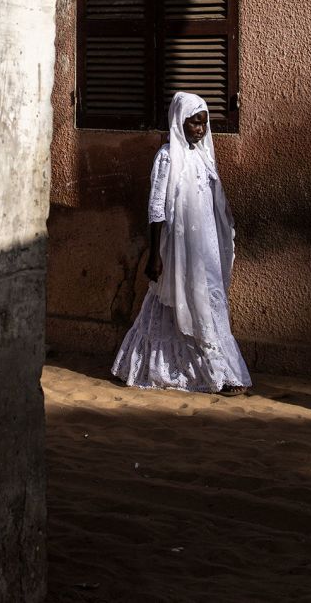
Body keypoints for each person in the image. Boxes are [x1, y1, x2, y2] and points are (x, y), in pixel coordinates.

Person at [112, 91, 252, 395]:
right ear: (180, 122)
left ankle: (217, 369)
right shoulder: (167, 158)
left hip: (204, 249)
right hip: (176, 248)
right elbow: (156, 207)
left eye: (203, 124)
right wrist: (155, 254)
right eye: (194, 123)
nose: (199, 130)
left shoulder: (203, 158)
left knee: (206, 302)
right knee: (171, 300)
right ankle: (213, 374)